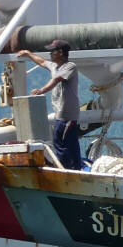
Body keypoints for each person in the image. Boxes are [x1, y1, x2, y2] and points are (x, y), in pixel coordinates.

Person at [18, 39, 82, 169]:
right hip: (63, 114)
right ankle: (77, 167)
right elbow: (41, 62)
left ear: (60, 52)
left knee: (60, 143)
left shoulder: (70, 66)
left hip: (66, 115)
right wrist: (28, 53)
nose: (50, 54)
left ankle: (64, 169)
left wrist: (41, 91)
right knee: (71, 142)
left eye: (53, 51)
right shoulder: (55, 66)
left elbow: (56, 79)